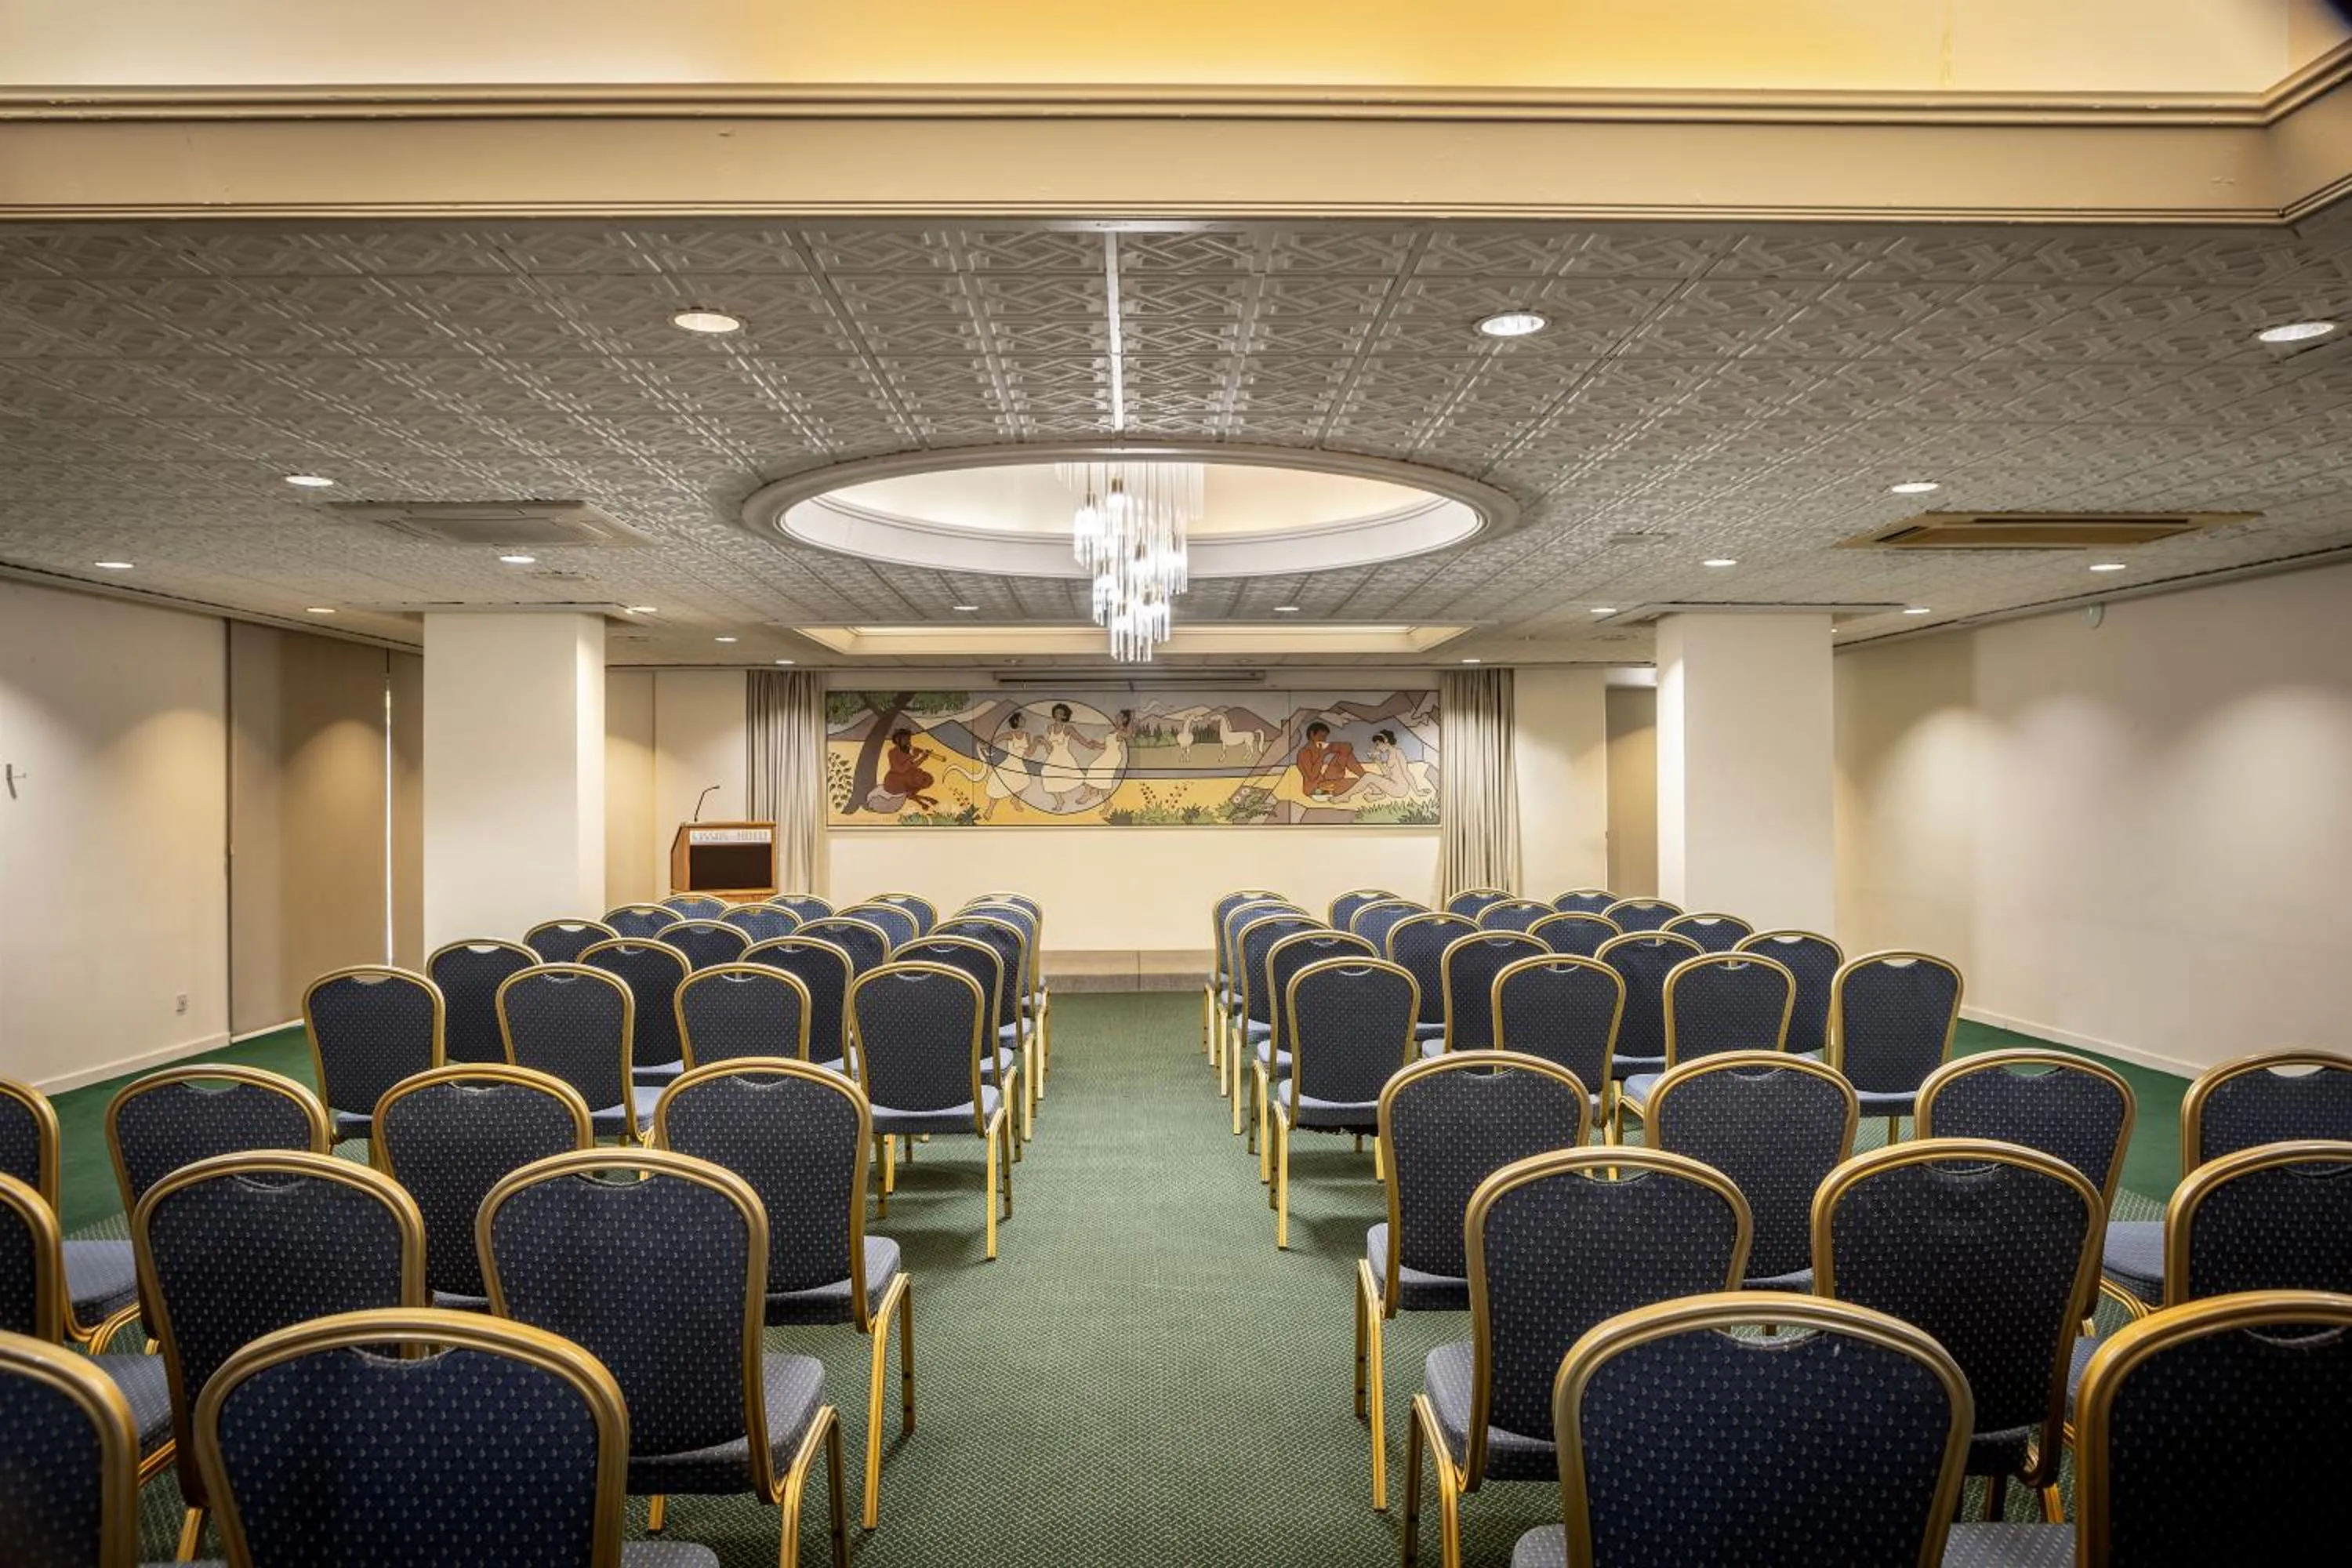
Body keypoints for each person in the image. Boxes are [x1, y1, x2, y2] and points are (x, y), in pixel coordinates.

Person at [1294, 720, 1367, 800]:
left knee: (1346, 754)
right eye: (1322, 736)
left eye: (1325, 737)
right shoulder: (1304, 753)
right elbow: (1312, 777)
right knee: (1355, 782)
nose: (1324, 739)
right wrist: (1322, 756)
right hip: (1315, 789)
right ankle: (1365, 780)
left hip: (1325, 780)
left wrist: (1335, 747)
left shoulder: (1320, 747)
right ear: (1312, 734)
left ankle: (1365, 776)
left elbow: (1348, 747)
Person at [983, 710, 1033, 821]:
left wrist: (1036, 743)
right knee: (998, 786)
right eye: (1021, 719)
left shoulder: (1027, 735)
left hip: (1019, 764)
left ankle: (1015, 800)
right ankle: (990, 810)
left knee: (1025, 781)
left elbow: (1029, 754)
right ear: (1016, 721)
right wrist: (984, 746)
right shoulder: (1010, 735)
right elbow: (994, 741)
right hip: (1009, 763)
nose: (1024, 720)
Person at [1041, 702, 1089, 812]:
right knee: (1046, 775)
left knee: (1075, 776)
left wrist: (1090, 745)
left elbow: (1080, 739)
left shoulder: (1068, 728)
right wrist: (1044, 742)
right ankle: (1060, 801)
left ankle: (1088, 790)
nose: (1057, 714)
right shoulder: (1050, 728)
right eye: (1056, 712)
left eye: (1061, 713)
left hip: (1065, 757)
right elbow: (1050, 749)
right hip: (1053, 758)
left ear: (1064, 716)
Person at [882, 727, 940, 811]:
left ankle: (922, 800)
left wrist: (923, 757)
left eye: (909, 739)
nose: (908, 742)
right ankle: (924, 800)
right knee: (918, 780)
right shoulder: (892, 752)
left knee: (927, 779)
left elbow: (912, 767)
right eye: (905, 740)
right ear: (898, 740)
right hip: (894, 780)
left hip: (907, 776)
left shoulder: (909, 750)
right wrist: (913, 757)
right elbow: (900, 770)